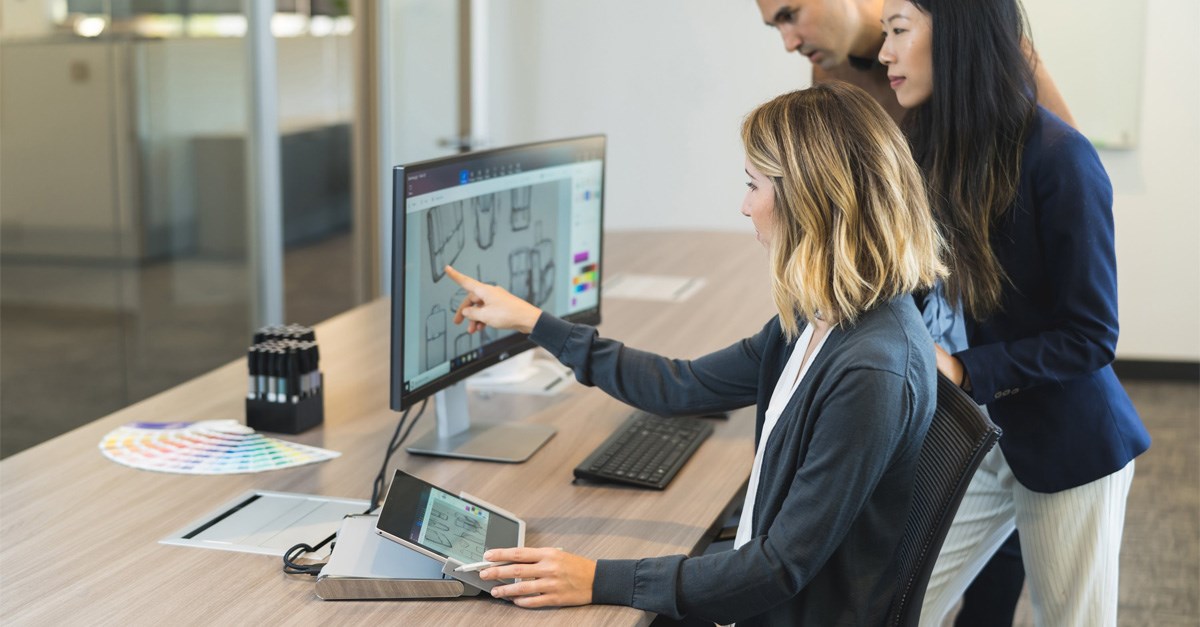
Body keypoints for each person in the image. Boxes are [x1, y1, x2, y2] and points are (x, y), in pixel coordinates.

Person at [441, 82, 947, 625]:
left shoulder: (869, 369)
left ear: (808, 199)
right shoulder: (822, 317)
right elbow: (681, 386)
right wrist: (532, 322)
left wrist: (597, 578)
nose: (744, 206)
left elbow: (777, 568)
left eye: (753, 186)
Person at [877, 0, 1152, 625]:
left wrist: (964, 370)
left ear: (955, 35)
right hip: (974, 435)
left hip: (1065, 443)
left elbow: (1090, 337)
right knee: (896, 605)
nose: (885, 53)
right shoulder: (930, 147)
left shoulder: (1060, 158)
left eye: (897, 31)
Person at [753, 0, 1074, 126]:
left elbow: (1069, 160)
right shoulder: (828, 72)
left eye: (790, 15)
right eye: (776, 26)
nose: (789, 43)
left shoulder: (966, 30)